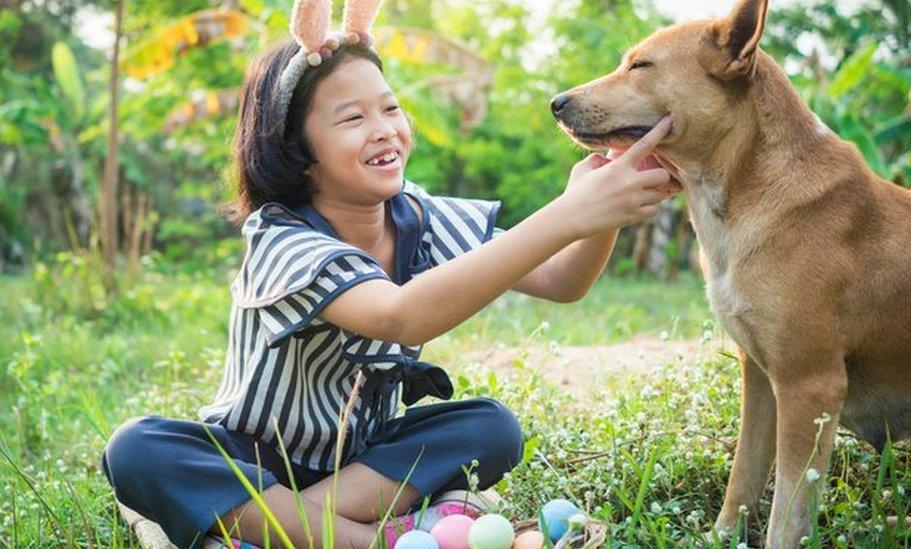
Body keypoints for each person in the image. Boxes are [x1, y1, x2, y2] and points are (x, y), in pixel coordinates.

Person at [99, 3, 679, 547]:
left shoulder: (418, 217)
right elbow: (400, 314)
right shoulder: (280, 239)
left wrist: (605, 202)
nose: (384, 129)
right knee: (137, 449)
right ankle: (374, 538)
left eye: (391, 108)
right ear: (297, 150)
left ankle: (284, 526)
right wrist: (566, 214)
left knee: (490, 427)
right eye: (352, 118)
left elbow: (561, 280)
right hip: (256, 459)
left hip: (364, 461)